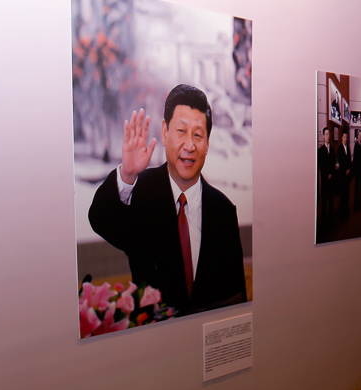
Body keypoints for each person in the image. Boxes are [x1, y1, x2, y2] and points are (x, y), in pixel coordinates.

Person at [88, 84, 247, 316]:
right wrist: (127, 174)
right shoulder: (141, 194)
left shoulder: (223, 210)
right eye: (181, 131)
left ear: (207, 144)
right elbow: (100, 219)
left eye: (198, 135)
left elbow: (236, 297)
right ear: (165, 132)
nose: (189, 146)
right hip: (153, 335)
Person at [318, 127, 336, 216]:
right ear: (323, 136)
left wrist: (331, 173)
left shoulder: (332, 149)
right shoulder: (320, 151)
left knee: (331, 200)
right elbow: (321, 165)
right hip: (325, 179)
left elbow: (333, 163)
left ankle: (331, 217)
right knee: (324, 200)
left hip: (331, 179)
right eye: (326, 134)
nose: (328, 136)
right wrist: (326, 174)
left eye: (329, 134)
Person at [338, 131, 351, 218]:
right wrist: (345, 170)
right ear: (342, 138)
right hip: (342, 175)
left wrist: (349, 169)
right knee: (342, 194)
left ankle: (346, 210)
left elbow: (349, 160)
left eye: (346, 137)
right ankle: (342, 212)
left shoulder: (348, 147)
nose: (346, 139)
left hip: (347, 175)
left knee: (347, 193)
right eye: (344, 137)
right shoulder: (339, 148)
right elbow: (340, 161)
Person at [353, 130, 361, 212]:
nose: (360, 136)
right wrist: (354, 169)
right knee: (356, 188)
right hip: (357, 170)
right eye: (359, 135)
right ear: (357, 136)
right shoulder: (356, 145)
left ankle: (360, 204)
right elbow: (354, 159)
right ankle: (355, 205)